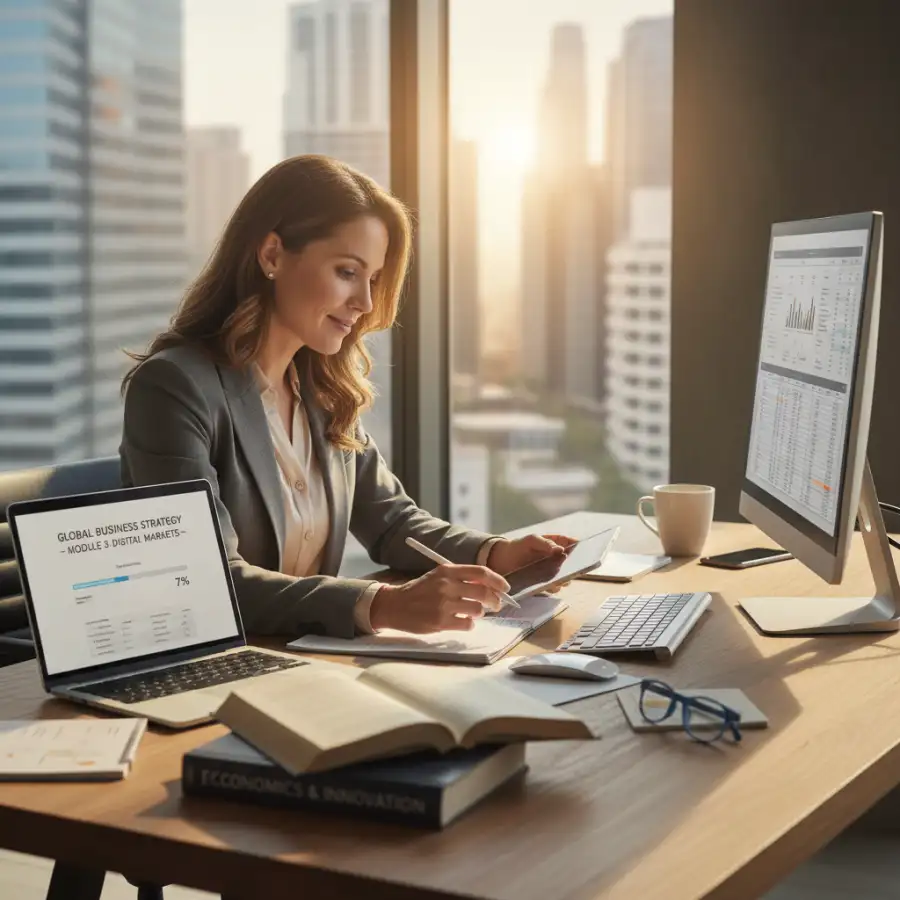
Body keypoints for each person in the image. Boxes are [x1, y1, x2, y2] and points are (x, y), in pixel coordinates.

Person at [120, 155, 574, 640]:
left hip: (306, 658)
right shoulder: (174, 388)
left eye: (373, 279)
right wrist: (379, 605)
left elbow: (392, 522)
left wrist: (497, 554)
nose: (366, 303)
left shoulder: (323, 389)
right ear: (272, 255)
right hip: (217, 669)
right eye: (346, 272)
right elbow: (209, 580)